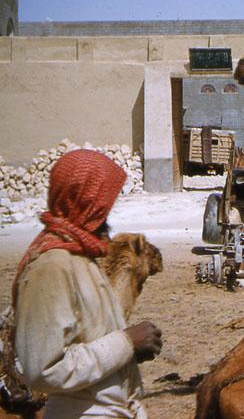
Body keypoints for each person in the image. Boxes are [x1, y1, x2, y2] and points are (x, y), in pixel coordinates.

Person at [13, 149, 162, 418]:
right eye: (103, 205)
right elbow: (45, 370)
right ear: (84, 201)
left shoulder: (82, 259)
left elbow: (87, 343)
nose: (106, 215)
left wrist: (126, 358)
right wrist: (127, 343)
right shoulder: (52, 267)